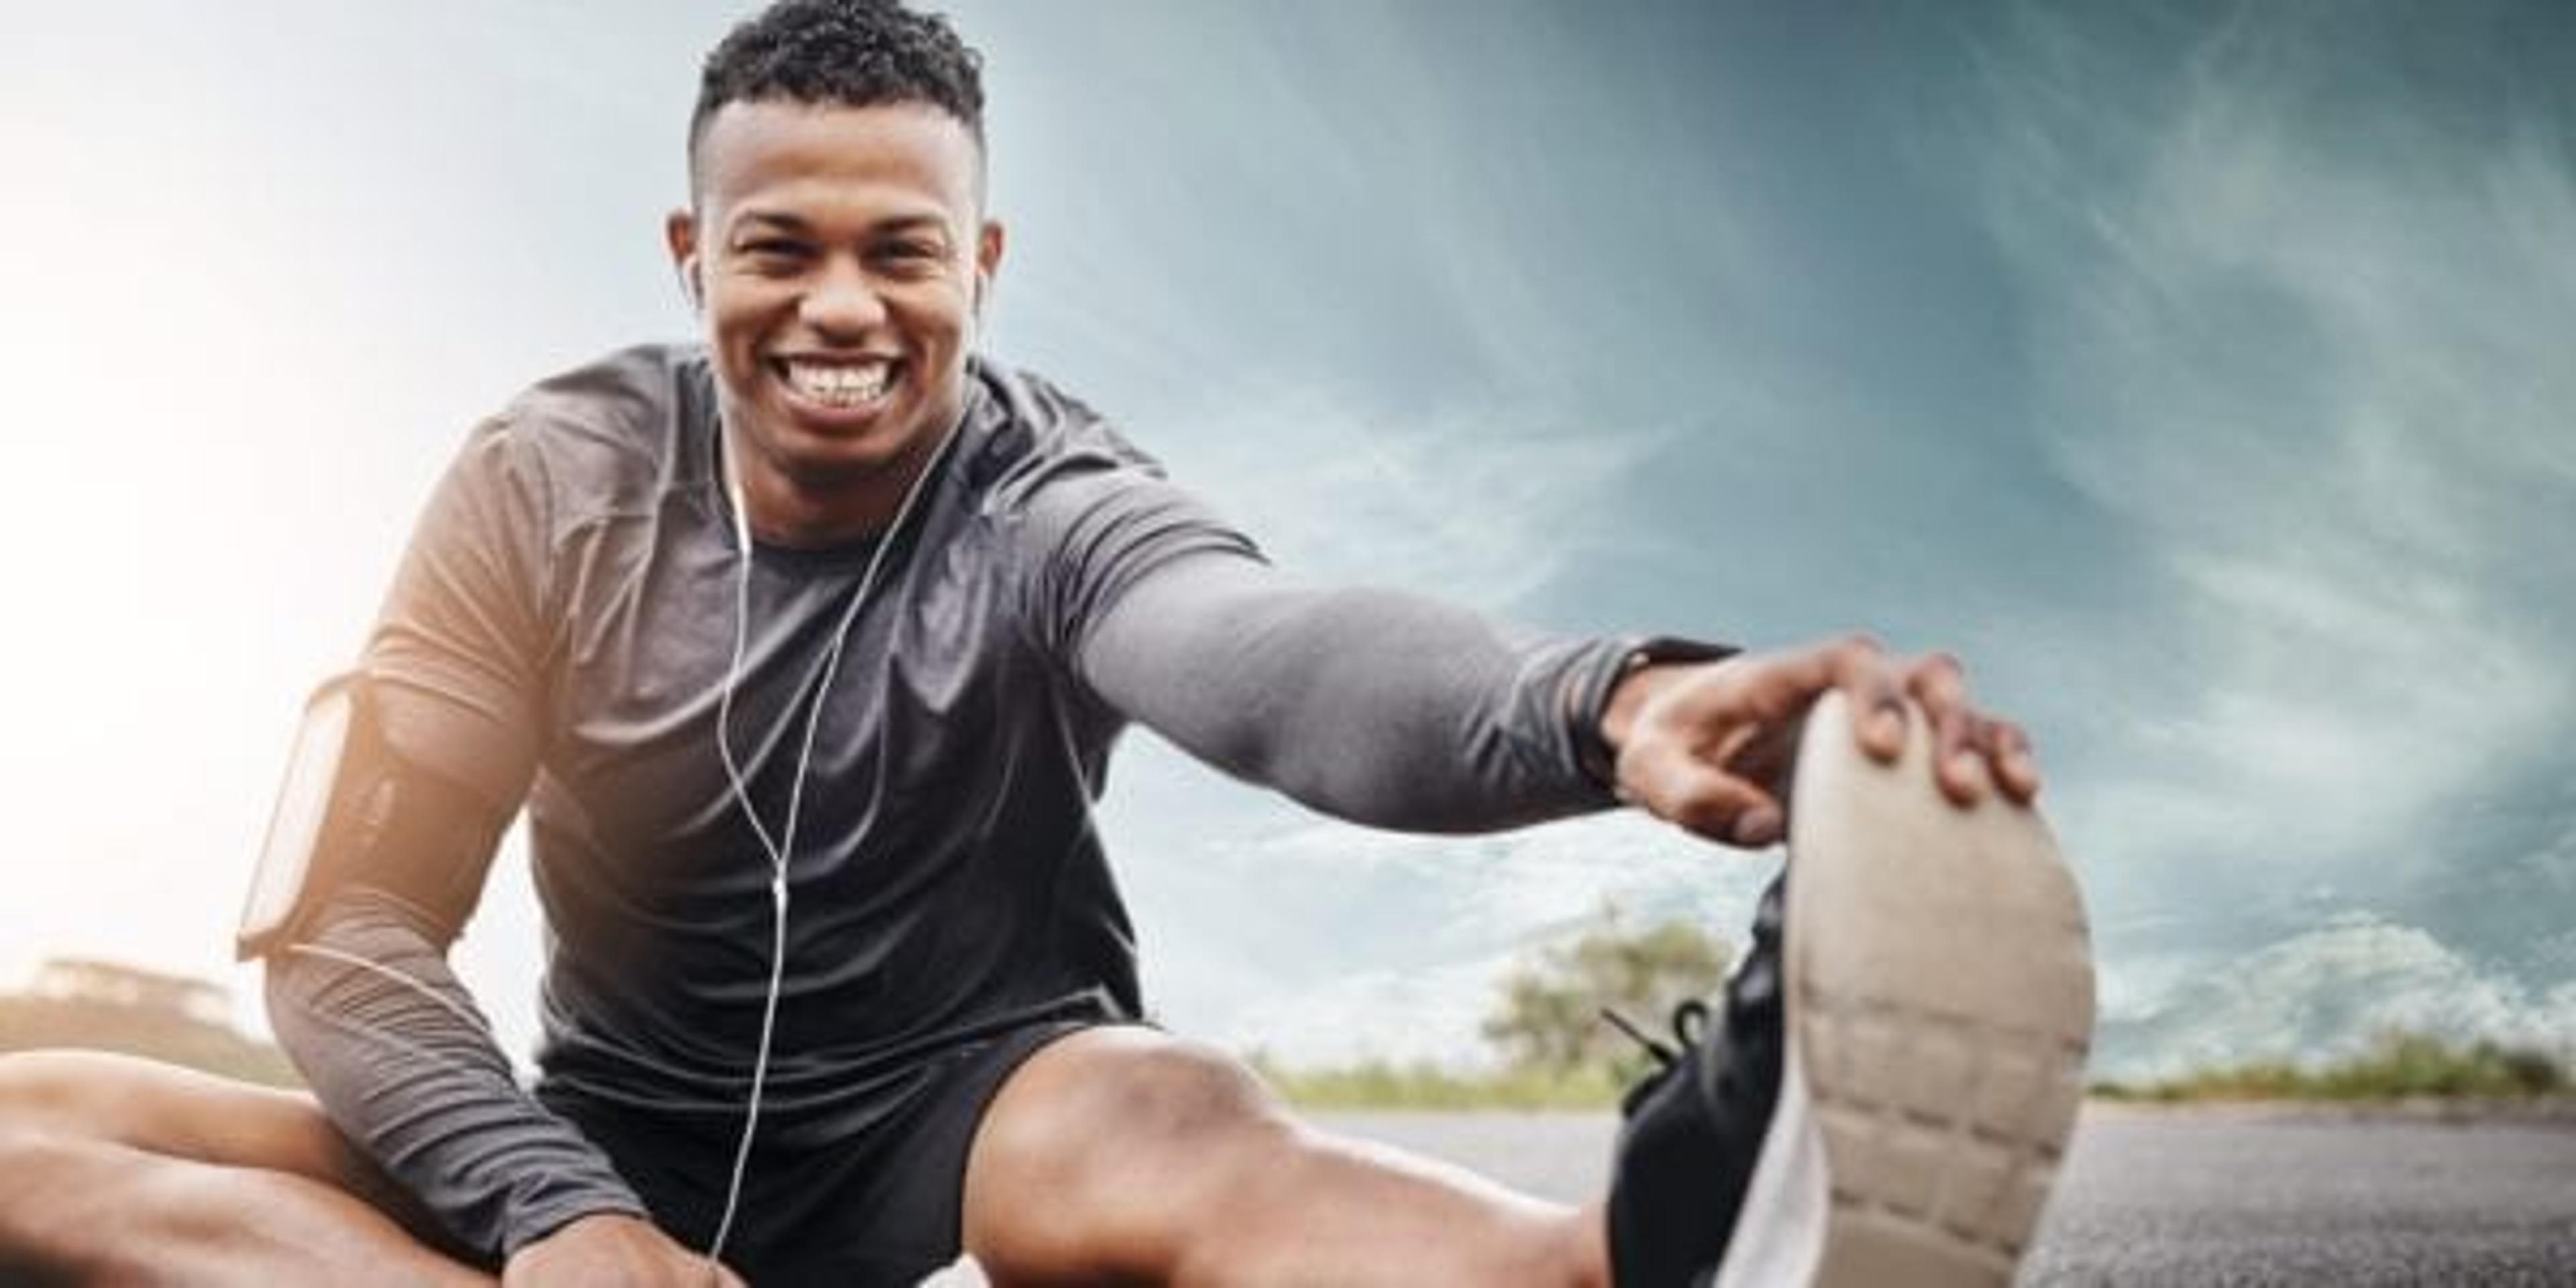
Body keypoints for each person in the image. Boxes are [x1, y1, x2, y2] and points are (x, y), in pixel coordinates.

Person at [0, 3, 2092, 1285]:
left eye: (901, 249)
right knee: (34, 1136)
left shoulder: (1055, 497)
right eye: (780, 248)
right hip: (606, 1134)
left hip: (974, 1116)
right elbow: (350, 930)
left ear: (978, 259)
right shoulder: (540, 483)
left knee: (1165, 1113)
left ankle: (1628, 1264)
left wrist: (1607, 702)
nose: (841, 307)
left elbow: (1271, 664)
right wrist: (563, 1218)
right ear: (689, 254)